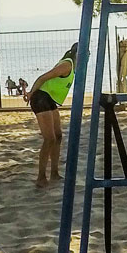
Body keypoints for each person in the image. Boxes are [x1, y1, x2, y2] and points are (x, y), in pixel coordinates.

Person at [27, 45, 76, 188]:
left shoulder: (73, 67)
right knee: (49, 139)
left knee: (58, 136)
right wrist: (30, 93)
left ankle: (54, 173)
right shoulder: (67, 65)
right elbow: (42, 78)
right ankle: (41, 177)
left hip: (49, 99)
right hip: (40, 98)